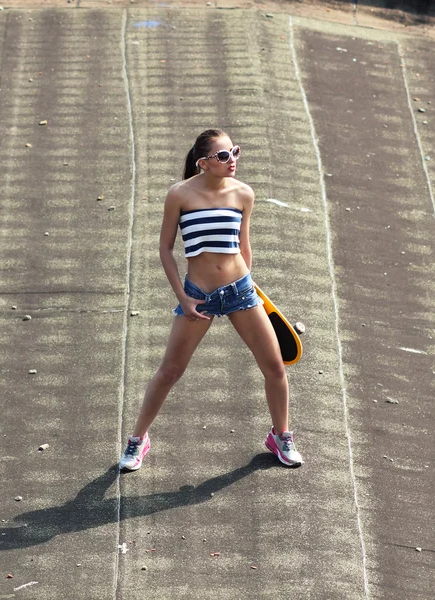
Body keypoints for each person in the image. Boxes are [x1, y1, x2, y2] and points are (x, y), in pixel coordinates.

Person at [119, 129, 302, 471]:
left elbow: (243, 246)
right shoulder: (180, 195)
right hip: (197, 296)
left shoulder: (244, 194)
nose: (232, 160)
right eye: (223, 156)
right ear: (203, 163)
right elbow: (165, 249)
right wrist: (183, 298)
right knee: (170, 371)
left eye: (234, 152)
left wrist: (249, 286)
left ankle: (281, 436)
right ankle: (137, 441)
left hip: (240, 292)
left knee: (275, 367)